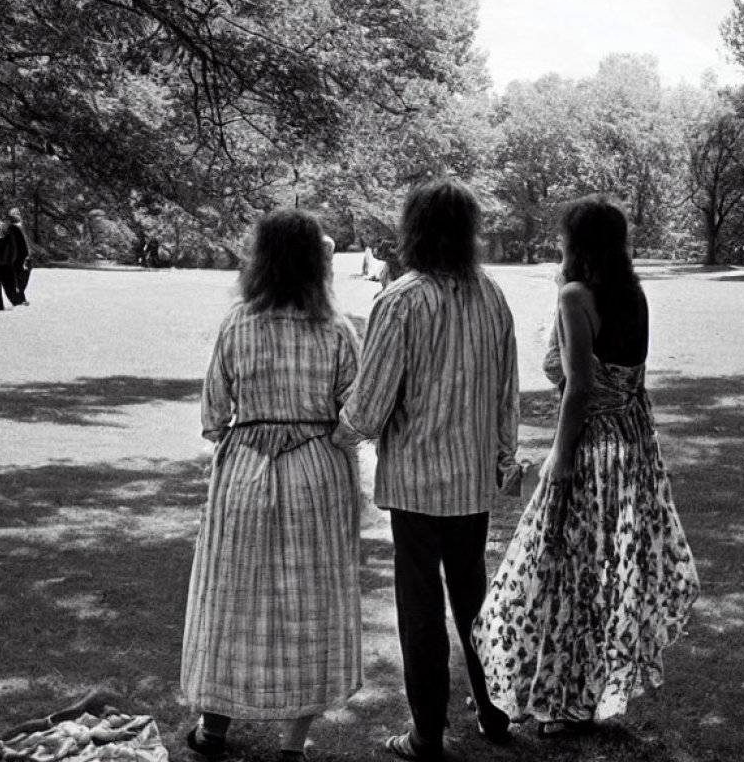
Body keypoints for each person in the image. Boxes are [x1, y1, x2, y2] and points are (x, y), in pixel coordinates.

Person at [472, 195, 700, 737]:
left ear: (577, 243)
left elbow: (578, 385)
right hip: (633, 447)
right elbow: (630, 380)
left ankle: (561, 699)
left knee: (560, 566)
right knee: (601, 570)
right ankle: (578, 695)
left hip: (591, 446)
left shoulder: (577, 296)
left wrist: (560, 455)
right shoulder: (634, 295)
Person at [336, 178, 520, 762]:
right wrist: (502, 456)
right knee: (474, 600)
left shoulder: (400, 300)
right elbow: (507, 393)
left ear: (413, 228)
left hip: (418, 483)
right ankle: (494, 712)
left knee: (421, 611)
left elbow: (368, 406)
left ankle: (426, 735)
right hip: (471, 481)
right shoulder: (491, 294)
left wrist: (328, 436)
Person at [181, 209, 363, 762]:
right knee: (312, 602)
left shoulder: (237, 322)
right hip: (317, 474)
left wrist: (256, 432)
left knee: (232, 597)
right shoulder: (336, 328)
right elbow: (355, 415)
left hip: (245, 471)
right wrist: (317, 435)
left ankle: (214, 731)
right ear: (317, 262)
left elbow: (213, 417)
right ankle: (293, 744)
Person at [0, 216, 22, 311]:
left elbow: (14, 253)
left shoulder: (10, 237)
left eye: (6, 225)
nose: (1, 227)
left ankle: (19, 304)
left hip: (6, 267)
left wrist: (9, 262)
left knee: (10, 290)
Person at [4, 208, 32, 304]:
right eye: (14, 215)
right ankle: (20, 298)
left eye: (17, 214)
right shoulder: (12, 228)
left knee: (23, 277)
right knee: (20, 278)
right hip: (18, 257)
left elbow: (26, 243)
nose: (17, 216)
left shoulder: (20, 227)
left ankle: (20, 297)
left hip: (23, 257)